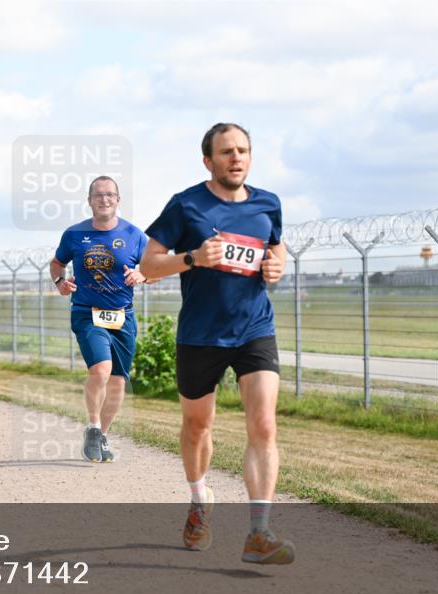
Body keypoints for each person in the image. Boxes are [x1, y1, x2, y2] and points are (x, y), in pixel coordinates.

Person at [140, 122, 293, 565]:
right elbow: (148, 266)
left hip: (254, 329)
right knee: (197, 428)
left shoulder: (268, 203)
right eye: (226, 151)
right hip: (201, 335)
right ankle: (199, 502)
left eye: (243, 150)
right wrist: (192, 258)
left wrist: (275, 266)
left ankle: (259, 533)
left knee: (263, 425)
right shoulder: (186, 205)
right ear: (208, 160)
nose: (236, 158)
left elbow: (277, 248)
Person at [50, 176, 153, 463]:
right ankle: (94, 426)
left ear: (118, 200)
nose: (104, 199)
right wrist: (60, 281)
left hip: (123, 317)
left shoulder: (134, 235)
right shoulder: (74, 234)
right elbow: (57, 263)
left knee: (118, 382)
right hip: (87, 313)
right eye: (98, 195)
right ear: (89, 200)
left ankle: (100, 435)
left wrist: (142, 275)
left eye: (110, 195)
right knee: (101, 371)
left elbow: (155, 268)